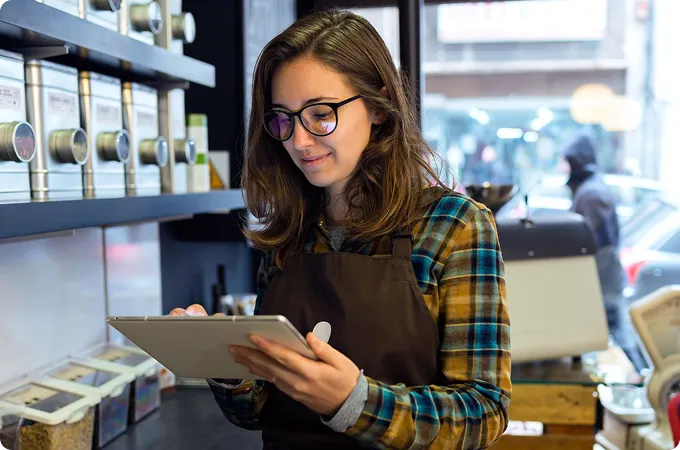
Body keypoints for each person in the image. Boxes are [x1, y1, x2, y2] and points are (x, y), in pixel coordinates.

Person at [171, 10, 511, 449]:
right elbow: (258, 410)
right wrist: (226, 364)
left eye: (320, 113)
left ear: (379, 108)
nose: (299, 140)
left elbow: (483, 412)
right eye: (283, 118)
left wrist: (355, 403)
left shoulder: (455, 226)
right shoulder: (289, 232)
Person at [561, 133, 646, 371]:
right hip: (604, 282)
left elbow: (599, 244)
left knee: (621, 339)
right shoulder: (591, 189)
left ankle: (642, 384)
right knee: (619, 337)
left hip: (603, 284)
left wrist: (588, 283)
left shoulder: (591, 194)